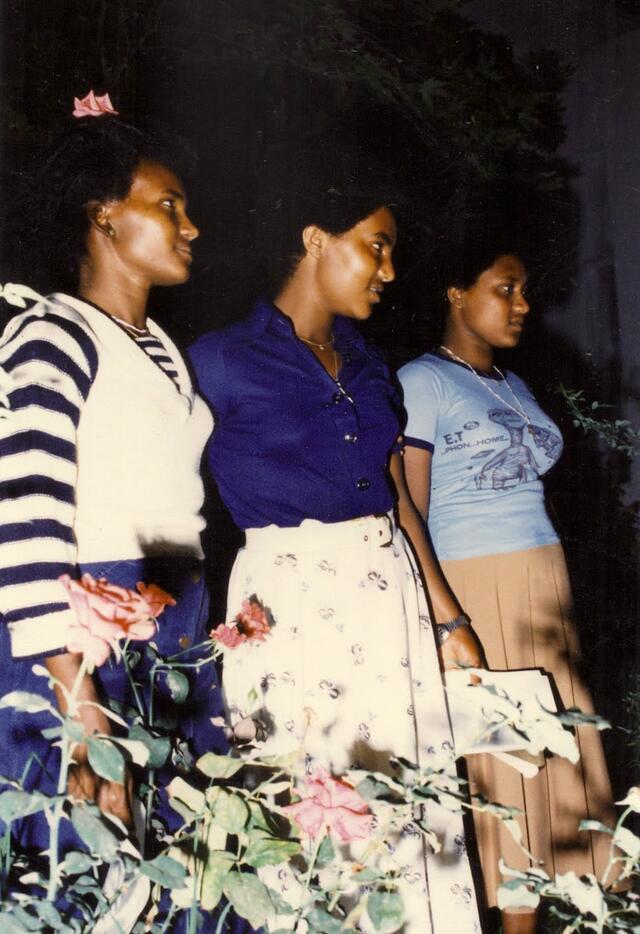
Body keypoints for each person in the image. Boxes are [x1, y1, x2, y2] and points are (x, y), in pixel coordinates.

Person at [189, 156, 483, 932]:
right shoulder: (221, 360)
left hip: (388, 605)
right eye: (375, 246)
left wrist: (450, 621)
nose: (389, 269)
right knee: (310, 813)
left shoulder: (368, 361)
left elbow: (399, 503)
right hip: (288, 607)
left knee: (406, 803)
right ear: (315, 239)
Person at [0, 105, 226, 870]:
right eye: (168, 205)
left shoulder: (161, 347)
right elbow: (25, 514)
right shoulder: (52, 332)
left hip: (170, 628)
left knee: (180, 858)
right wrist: (78, 694)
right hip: (83, 631)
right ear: (104, 215)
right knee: (86, 859)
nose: (190, 226)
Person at [398, 237, 617, 934]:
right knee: (510, 778)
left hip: (542, 590)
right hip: (479, 592)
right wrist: (443, 619)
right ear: (455, 293)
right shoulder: (422, 382)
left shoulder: (511, 384)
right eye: (507, 288)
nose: (523, 305)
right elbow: (410, 508)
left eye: (525, 291)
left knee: (558, 776)